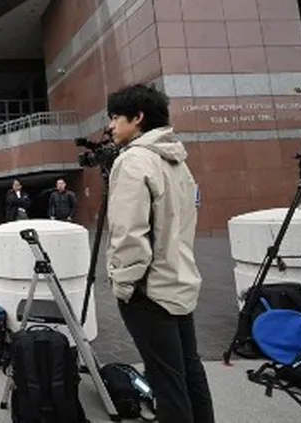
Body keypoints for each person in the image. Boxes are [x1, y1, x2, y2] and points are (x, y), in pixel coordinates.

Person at [104, 84, 215, 423]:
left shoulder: (134, 161)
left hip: (149, 291)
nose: (110, 126)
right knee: (188, 370)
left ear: (137, 118)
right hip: (179, 280)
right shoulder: (178, 161)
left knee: (166, 382)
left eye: (115, 118)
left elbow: (128, 234)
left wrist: (123, 285)